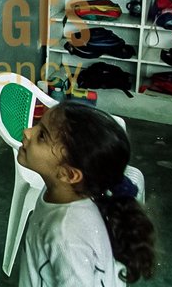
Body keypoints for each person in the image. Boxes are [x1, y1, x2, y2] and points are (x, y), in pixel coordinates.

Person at [17, 101, 155, 286]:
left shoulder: (66, 237)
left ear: (69, 174)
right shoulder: (62, 193)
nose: (27, 132)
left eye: (42, 136)